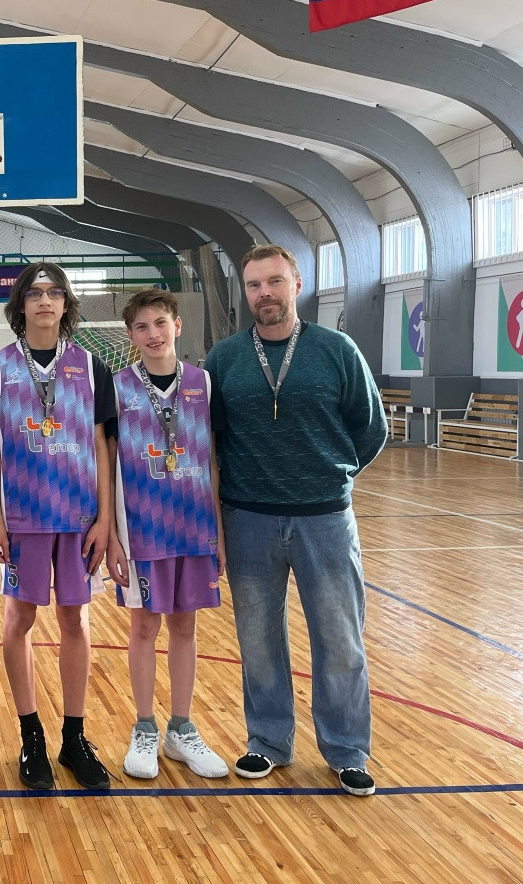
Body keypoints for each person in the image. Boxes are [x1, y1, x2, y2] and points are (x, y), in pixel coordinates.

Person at [205, 244, 386, 797]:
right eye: (254, 284)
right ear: (245, 292)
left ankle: (347, 750)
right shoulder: (225, 358)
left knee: (341, 640)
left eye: (275, 281)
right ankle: (268, 741)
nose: (265, 293)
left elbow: (371, 428)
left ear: (297, 284)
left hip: (324, 519)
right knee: (258, 641)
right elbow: (208, 439)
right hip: (248, 518)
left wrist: (333, 477)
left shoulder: (336, 349)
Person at [0, 262, 114, 790]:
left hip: (78, 519)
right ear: (20, 304)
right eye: (34, 293)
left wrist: (105, 518)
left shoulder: (92, 367)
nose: (44, 301)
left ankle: (74, 738)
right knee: (19, 621)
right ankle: (30, 735)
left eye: (54, 292)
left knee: (76, 621)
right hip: (24, 520)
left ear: (65, 304)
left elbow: (102, 446)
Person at [105, 289, 229, 781]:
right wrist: (112, 534)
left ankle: (181, 728)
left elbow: (212, 460)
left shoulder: (203, 383)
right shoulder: (117, 388)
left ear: (177, 325)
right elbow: (106, 463)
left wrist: (218, 531)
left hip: (194, 527)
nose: (153, 334)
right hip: (142, 529)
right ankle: (144, 728)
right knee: (143, 628)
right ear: (130, 336)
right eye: (142, 327)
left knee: (185, 627)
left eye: (160, 323)